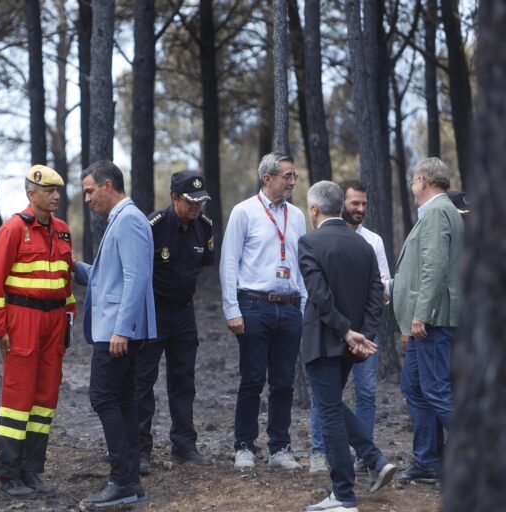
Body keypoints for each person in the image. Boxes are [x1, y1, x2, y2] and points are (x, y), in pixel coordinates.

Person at [299, 181, 397, 512]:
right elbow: (376, 295)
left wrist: (346, 333)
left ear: (314, 209)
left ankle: (342, 495)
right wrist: (362, 334)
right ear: (340, 205)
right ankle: (374, 459)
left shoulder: (309, 242)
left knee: (327, 410)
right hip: (350, 345)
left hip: (325, 341)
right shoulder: (363, 245)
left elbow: (320, 296)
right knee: (331, 403)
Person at [0, 165, 76, 498]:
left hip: (53, 323)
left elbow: (67, 282)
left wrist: (68, 319)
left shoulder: (62, 231)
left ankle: (32, 470)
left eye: (58, 191)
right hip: (23, 319)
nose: (55, 196)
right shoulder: (13, 229)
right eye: (48, 191)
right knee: (17, 398)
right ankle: (7, 474)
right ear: (30, 194)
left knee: (46, 397)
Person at [73, 160, 157, 508]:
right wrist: (75, 267)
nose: (88, 198)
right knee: (122, 401)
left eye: (90, 191)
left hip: (118, 332)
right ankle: (130, 481)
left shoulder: (130, 220)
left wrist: (122, 329)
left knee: (103, 398)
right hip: (116, 329)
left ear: (109, 185)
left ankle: (122, 480)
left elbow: (137, 278)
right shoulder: (120, 221)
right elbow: (111, 277)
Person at [219, 152, 307, 471]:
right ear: (267, 178)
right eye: (287, 176)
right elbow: (229, 261)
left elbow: (300, 264)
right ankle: (244, 445)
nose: (293, 182)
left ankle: (280, 447)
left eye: (294, 176)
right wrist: (232, 308)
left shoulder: (296, 216)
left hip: (289, 307)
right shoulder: (244, 212)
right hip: (254, 304)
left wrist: (305, 307)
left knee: (284, 381)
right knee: (253, 378)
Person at [135, 171, 215, 474]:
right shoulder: (153, 225)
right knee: (143, 381)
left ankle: (184, 445)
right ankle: (141, 449)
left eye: (201, 202)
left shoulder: (204, 227)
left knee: (184, 381)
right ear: (174, 199)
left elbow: (204, 265)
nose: (197, 207)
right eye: (190, 202)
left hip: (184, 313)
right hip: (153, 312)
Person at [393, 157, 463, 484]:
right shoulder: (440, 211)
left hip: (433, 319)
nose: (412, 187)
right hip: (429, 319)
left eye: (413, 181)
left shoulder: (436, 212)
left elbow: (434, 267)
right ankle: (426, 461)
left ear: (422, 181)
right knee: (414, 387)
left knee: (435, 389)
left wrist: (421, 314)